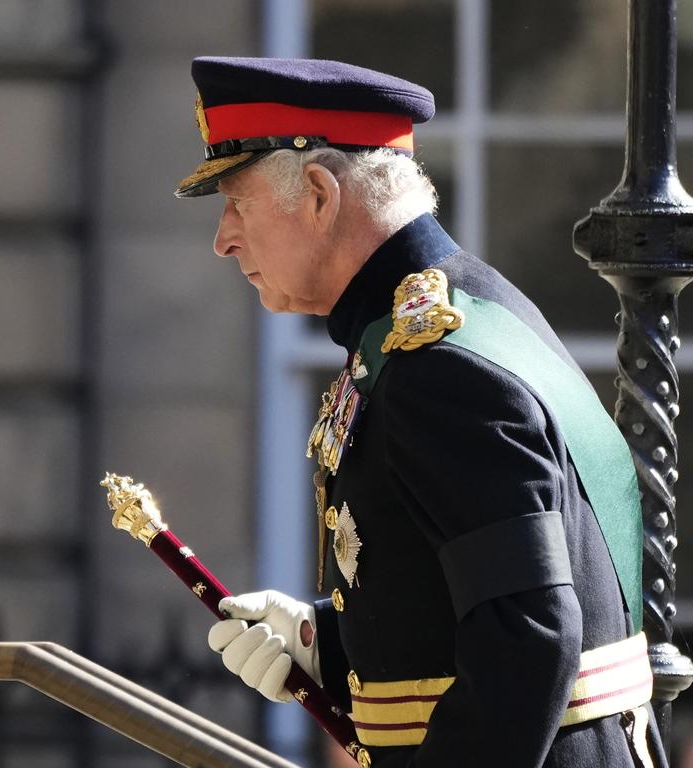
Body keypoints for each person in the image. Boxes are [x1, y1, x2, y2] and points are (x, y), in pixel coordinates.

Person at [176, 56, 664, 768]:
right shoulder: (458, 319)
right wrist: (326, 642)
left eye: (238, 202)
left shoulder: (438, 368)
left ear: (317, 192)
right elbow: (473, 594)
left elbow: (528, 637)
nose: (224, 237)